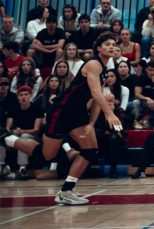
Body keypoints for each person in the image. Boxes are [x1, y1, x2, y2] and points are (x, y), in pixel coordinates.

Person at [1, 31, 122, 205]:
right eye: (108, 44)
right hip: (62, 111)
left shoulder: (104, 70)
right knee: (45, 156)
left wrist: (91, 123)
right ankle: (7, 138)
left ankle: (66, 191)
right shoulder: (94, 64)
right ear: (99, 48)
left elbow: (97, 99)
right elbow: (96, 93)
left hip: (77, 113)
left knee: (90, 149)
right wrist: (110, 113)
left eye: (114, 44)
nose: (112, 47)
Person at [4, 85, 43, 179]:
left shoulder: (37, 108)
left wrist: (22, 131)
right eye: (21, 95)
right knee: (3, 138)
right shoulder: (12, 108)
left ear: (30, 96)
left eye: (26, 94)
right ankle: (1, 167)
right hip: (16, 135)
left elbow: (36, 130)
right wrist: (13, 132)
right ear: (18, 97)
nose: (23, 97)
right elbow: (8, 127)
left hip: (34, 138)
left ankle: (22, 168)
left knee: (24, 136)